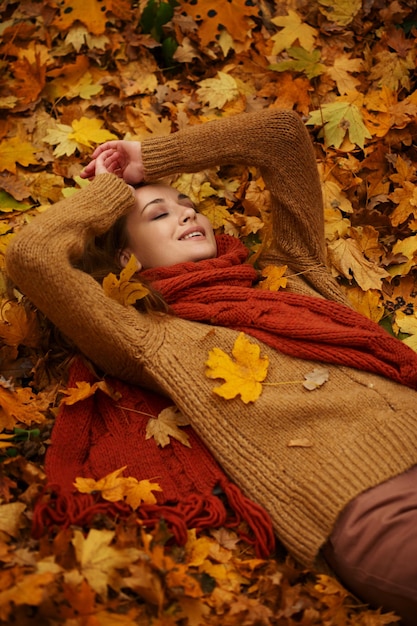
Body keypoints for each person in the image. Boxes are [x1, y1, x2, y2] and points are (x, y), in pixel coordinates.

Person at [6, 108, 417, 623]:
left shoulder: (288, 276)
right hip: (365, 501)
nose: (185, 214)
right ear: (123, 260)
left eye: (188, 204)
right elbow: (32, 254)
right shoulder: (145, 335)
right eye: (157, 216)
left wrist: (151, 157)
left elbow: (282, 138)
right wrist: (110, 191)